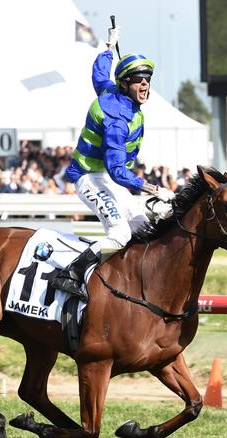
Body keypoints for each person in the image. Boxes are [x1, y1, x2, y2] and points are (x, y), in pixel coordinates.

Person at [51, 26, 175, 301]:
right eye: (138, 80)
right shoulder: (117, 121)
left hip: (103, 175)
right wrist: (155, 190)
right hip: (88, 177)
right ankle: (70, 274)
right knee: (120, 232)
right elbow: (118, 171)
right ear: (125, 84)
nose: (145, 85)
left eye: (147, 79)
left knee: (142, 225)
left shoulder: (109, 90)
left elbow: (98, 73)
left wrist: (109, 47)